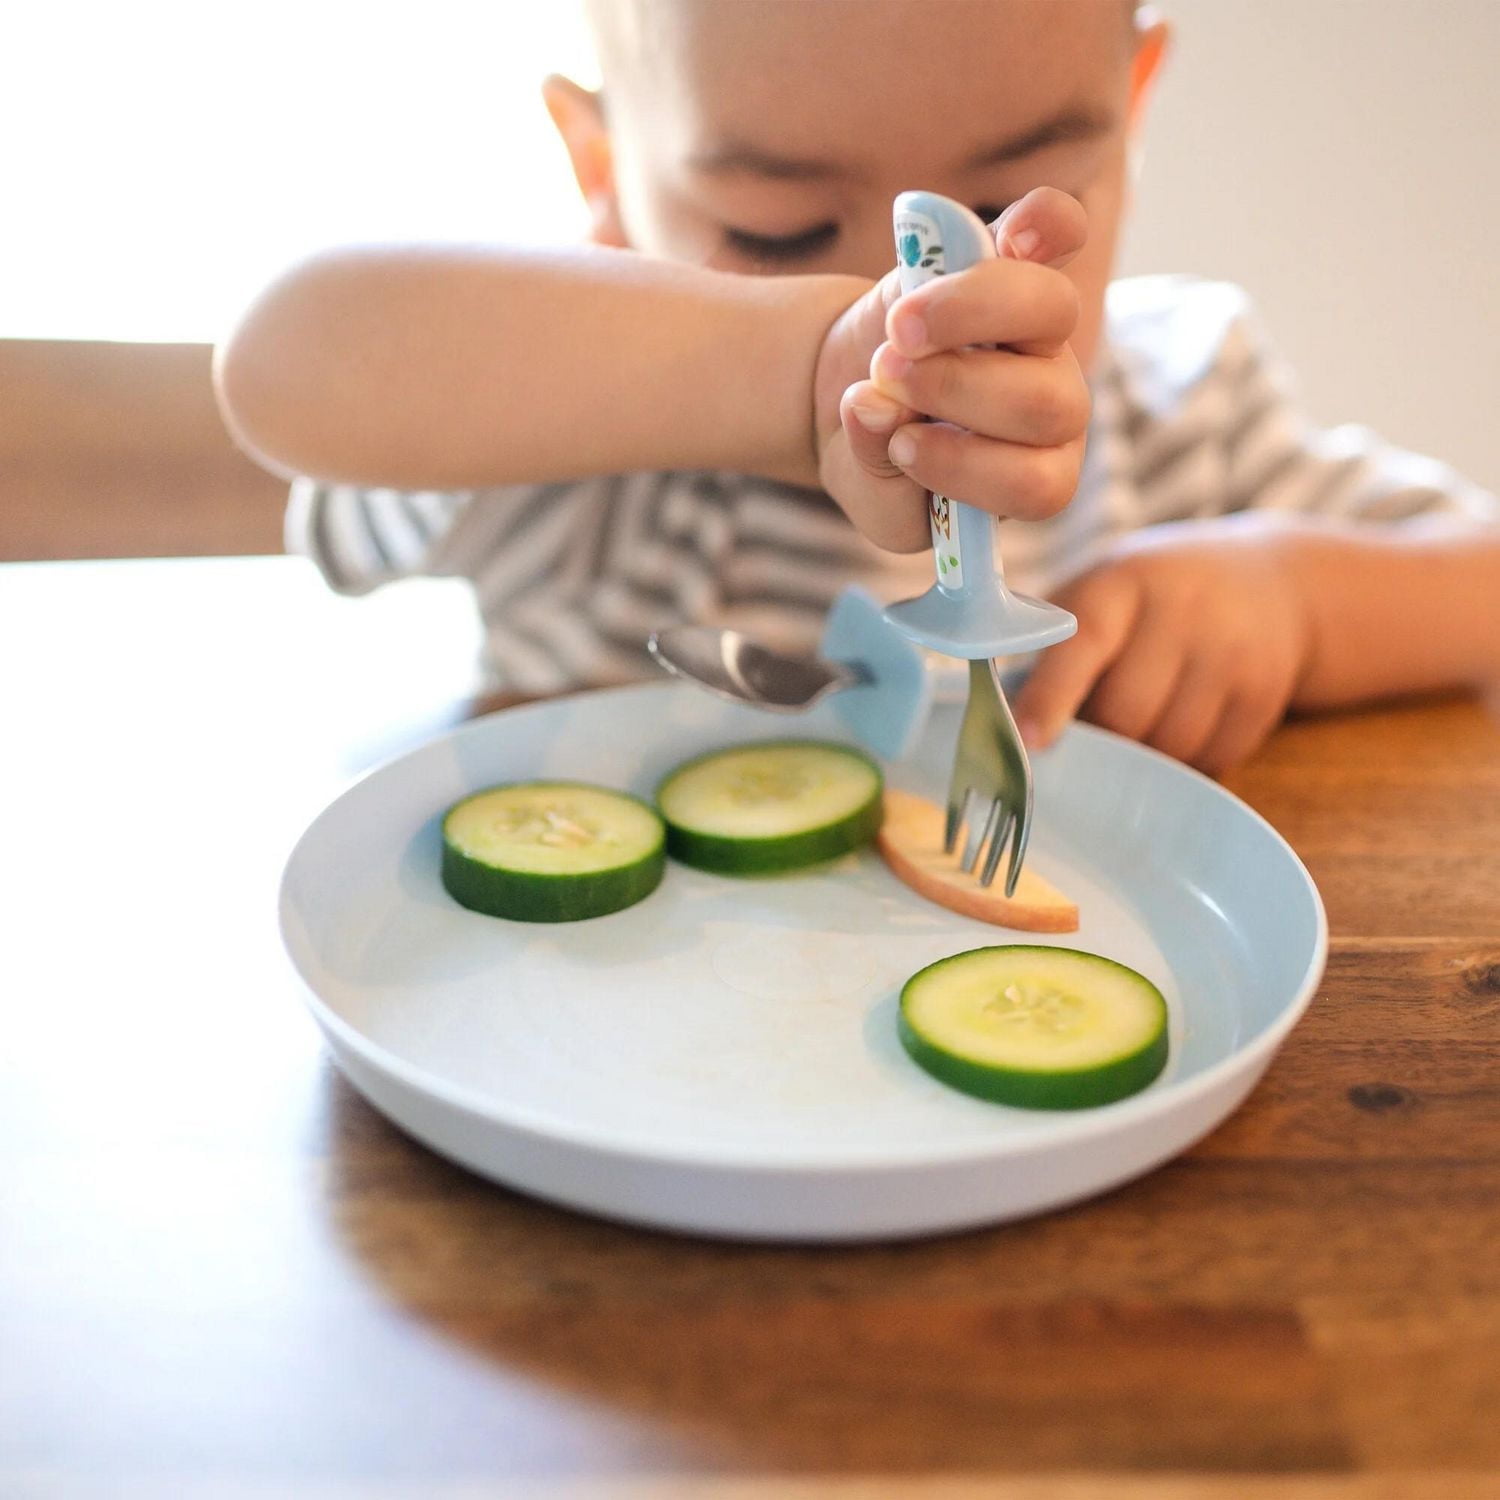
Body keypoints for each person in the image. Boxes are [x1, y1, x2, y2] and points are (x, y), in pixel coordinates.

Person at [215, 0, 1500, 777]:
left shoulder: (1186, 405)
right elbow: (282, 365)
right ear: (599, 171)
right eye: (778, 228)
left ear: (1132, 111)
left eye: (1005, 211)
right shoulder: (572, 441)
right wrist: (792, 375)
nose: (915, 308)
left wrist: (1292, 596)